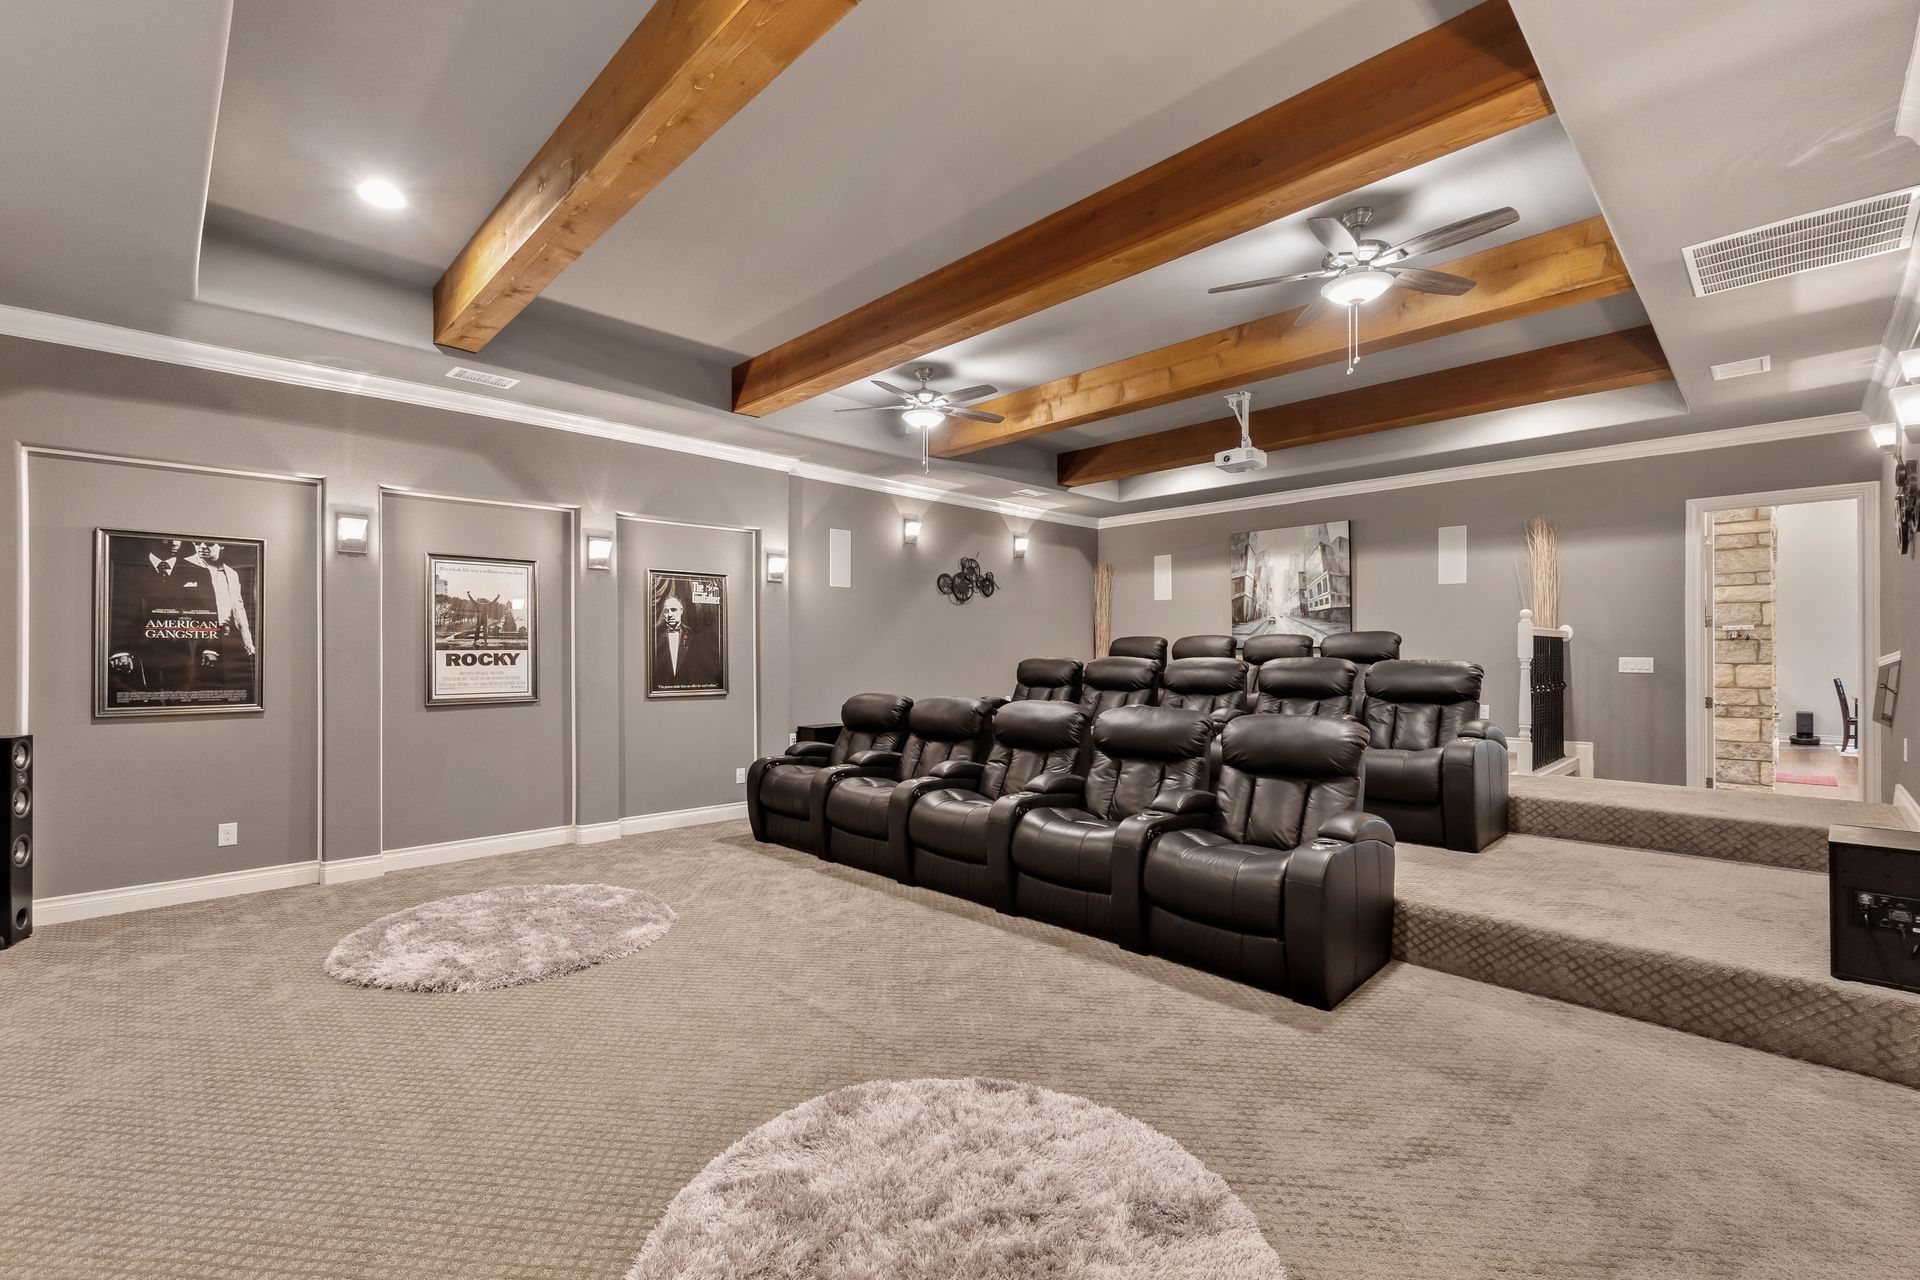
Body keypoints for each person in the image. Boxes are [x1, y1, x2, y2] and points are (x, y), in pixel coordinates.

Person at [107, 535, 221, 701]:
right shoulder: (125, 571)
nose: (175, 543)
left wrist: (209, 648)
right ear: (151, 539)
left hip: (183, 656)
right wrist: (119, 650)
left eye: (179, 540)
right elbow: (116, 611)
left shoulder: (199, 572)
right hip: (138, 655)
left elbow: (209, 613)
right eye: (167, 539)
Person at [652, 591, 720, 690]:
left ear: (681, 611)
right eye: (666, 611)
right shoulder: (656, 639)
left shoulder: (695, 636)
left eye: (673, 610)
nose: (670, 614)